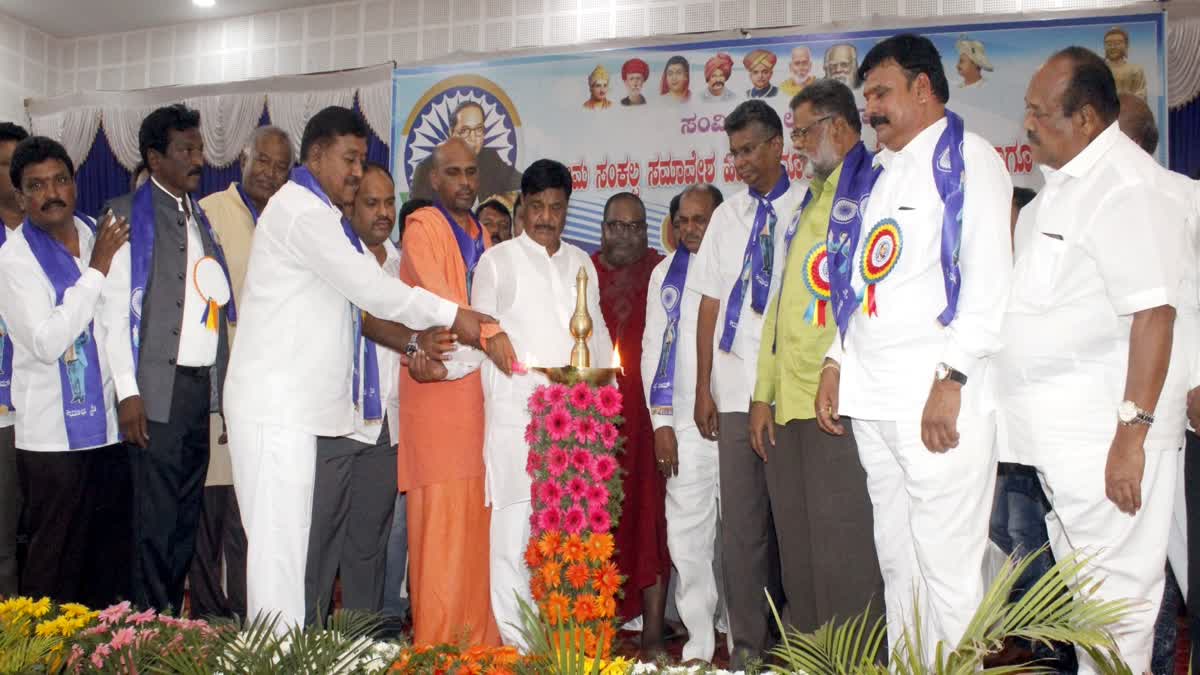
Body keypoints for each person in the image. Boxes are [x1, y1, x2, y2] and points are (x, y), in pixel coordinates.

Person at [222, 105, 489, 629]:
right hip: (274, 407)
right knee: (279, 553)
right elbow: (371, 290)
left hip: (296, 410)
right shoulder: (301, 211)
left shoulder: (320, 216)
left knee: (290, 549)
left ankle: (287, 656)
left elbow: (360, 312)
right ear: (316, 155)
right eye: (348, 159)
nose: (354, 171)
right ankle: (273, 661)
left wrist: (418, 341)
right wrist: (452, 314)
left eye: (361, 159)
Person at [814, 34, 1012, 660]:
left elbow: (987, 283)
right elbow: (857, 283)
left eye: (881, 93)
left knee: (948, 570)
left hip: (935, 399)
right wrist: (835, 361)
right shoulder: (876, 173)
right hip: (873, 399)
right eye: (865, 94)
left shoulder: (968, 159)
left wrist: (951, 379)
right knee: (899, 565)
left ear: (923, 89)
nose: (869, 108)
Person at [999, 46, 1190, 674]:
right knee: (1088, 611)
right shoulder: (1059, 191)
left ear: (1084, 118)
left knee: (1121, 615)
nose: (1027, 125)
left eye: (1038, 113)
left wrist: (1131, 436)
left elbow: (1154, 315)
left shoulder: (1126, 188)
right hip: (1062, 449)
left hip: (1108, 442)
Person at [749, 79, 884, 639]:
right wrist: (762, 395)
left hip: (837, 403)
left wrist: (840, 373)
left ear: (836, 126)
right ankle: (812, 658)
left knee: (843, 553)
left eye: (802, 132)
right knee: (799, 557)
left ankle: (855, 661)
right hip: (787, 406)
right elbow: (781, 306)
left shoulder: (872, 191)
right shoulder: (808, 201)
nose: (797, 145)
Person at [472, 159, 614, 648]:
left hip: (575, 421)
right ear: (521, 207)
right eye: (537, 207)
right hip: (517, 418)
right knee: (513, 534)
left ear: (567, 209)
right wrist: (494, 338)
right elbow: (482, 327)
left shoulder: (580, 262)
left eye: (556, 208)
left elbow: (596, 333)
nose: (546, 218)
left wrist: (604, 398)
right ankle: (517, 647)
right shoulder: (497, 262)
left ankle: (559, 640)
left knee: (562, 533)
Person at [99, 104, 235, 613]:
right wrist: (128, 393)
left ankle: (169, 626)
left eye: (199, 149)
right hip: (154, 393)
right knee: (153, 523)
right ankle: (146, 631)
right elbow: (112, 316)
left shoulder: (199, 217)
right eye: (186, 150)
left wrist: (218, 395)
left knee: (184, 517)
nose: (198, 158)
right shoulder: (124, 214)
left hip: (198, 391)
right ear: (155, 158)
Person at [687, 100, 807, 668]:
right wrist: (702, 387)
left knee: (794, 524)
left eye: (750, 149)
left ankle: (803, 643)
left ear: (779, 145)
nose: (740, 163)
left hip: (789, 396)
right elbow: (708, 305)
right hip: (734, 393)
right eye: (733, 153)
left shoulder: (809, 207)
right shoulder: (727, 217)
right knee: (742, 530)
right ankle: (748, 648)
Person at [0, 136, 131, 608]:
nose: (50, 192)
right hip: (52, 439)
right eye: (36, 186)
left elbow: (118, 322)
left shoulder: (101, 232)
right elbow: (47, 342)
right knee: (53, 564)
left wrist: (131, 392)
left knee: (107, 560)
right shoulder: (13, 261)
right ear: (20, 198)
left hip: (109, 432)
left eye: (59, 180)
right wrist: (95, 272)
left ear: (75, 185)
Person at [397, 138, 502, 647]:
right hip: (437, 400)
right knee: (440, 527)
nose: (464, 182)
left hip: (479, 400)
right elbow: (444, 305)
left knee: (477, 525)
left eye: (471, 173)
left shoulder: (482, 235)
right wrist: (493, 338)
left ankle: (480, 643)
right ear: (435, 181)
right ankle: (438, 647)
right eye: (453, 173)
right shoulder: (423, 228)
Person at [187, 125, 292, 620]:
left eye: (281, 167)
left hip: (271, 390)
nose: (270, 174)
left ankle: (252, 615)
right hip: (216, 387)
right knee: (210, 508)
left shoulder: (291, 220)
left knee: (250, 514)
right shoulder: (207, 214)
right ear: (242, 159)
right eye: (263, 161)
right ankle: (209, 615)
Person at [1118, 92, 1200, 675]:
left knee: (1184, 561)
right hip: (1110, 419)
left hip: (1178, 413)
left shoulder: (1185, 198)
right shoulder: (1078, 206)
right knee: (1127, 577)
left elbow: (1187, 304)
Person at [305, 162, 407, 626]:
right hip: (335, 423)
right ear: (350, 207)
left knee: (368, 546)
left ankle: (359, 647)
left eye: (390, 202)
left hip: (385, 427)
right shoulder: (331, 261)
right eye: (372, 203)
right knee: (319, 544)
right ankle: (306, 645)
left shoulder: (405, 265)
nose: (384, 213)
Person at [641, 183, 725, 662]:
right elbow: (653, 348)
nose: (692, 229)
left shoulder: (738, 266)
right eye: (684, 221)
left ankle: (741, 630)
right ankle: (699, 639)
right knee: (686, 535)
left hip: (732, 418)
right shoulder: (662, 277)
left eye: (701, 219)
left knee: (741, 535)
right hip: (683, 426)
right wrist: (661, 424)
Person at [592, 192, 670, 654]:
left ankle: (655, 634)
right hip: (592, 423)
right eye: (617, 226)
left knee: (651, 520)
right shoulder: (580, 272)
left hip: (648, 421)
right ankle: (596, 625)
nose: (626, 235)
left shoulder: (662, 272)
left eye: (636, 226)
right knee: (597, 525)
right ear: (602, 228)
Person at [0, 120, 28, 598]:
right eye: (5, 165)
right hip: (2, 415)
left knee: (42, 531)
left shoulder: (57, 233)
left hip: (56, 413)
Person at [409, 101, 523, 204]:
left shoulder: (491, 158)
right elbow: (417, 215)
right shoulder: (426, 168)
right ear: (451, 133)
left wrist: (507, 199)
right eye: (465, 131)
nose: (473, 138)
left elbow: (524, 184)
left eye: (478, 129)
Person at [1104, 26, 1147, 100]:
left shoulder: (1135, 70)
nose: (1113, 47)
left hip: (1129, 109)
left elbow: (1141, 95)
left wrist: (1124, 100)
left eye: (1117, 43)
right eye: (1109, 44)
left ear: (1126, 46)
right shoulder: (1098, 70)